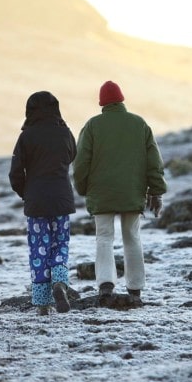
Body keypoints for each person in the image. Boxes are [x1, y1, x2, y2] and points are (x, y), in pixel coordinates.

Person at [72, 80, 167, 306]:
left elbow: (81, 163)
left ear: (102, 102)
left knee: (104, 238)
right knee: (132, 238)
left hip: (101, 194)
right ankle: (135, 289)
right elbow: (154, 162)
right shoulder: (139, 124)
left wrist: (84, 189)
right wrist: (156, 191)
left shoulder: (92, 126)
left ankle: (105, 285)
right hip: (132, 193)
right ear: (122, 99)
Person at [8, 91, 77, 316]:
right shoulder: (64, 133)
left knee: (39, 250)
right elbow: (72, 155)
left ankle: (42, 304)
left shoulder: (26, 137)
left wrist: (26, 193)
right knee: (60, 243)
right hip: (61, 199)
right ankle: (59, 279)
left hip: (36, 201)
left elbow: (15, 173)